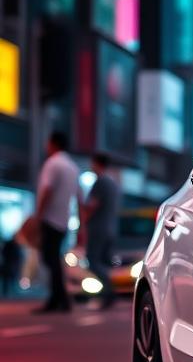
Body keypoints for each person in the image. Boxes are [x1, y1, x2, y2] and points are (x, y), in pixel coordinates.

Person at [31, 131, 79, 313]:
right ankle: (60, 299)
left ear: (53, 143)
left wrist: (38, 216)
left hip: (50, 219)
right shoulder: (72, 167)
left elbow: (47, 190)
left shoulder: (52, 164)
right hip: (64, 220)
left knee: (49, 259)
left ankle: (59, 300)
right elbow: (79, 198)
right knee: (53, 259)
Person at [79, 152, 121, 309]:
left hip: (98, 228)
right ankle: (109, 293)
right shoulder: (113, 183)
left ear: (97, 163)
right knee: (104, 262)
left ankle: (109, 292)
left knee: (93, 262)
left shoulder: (100, 182)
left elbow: (92, 206)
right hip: (110, 228)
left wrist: (80, 204)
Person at [1, 232, 24, 297]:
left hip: (12, 264)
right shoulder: (10, 244)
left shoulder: (17, 244)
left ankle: (11, 292)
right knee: (7, 279)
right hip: (9, 264)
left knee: (12, 279)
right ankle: (7, 293)